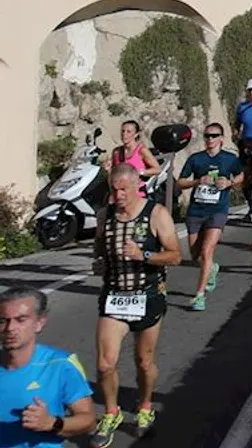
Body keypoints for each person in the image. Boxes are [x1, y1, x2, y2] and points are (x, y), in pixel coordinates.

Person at [92, 163, 181, 442]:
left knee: (143, 362)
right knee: (106, 364)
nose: (118, 195)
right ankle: (111, 412)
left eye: (123, 190)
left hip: (147, 295)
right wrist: (98, 263)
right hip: (114, 295)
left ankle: (144, 406)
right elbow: (98, 248)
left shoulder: (156, 213)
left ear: (135, 186)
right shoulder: (105, 215)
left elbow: (175, 256)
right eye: (114, 190)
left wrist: (143, 255)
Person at [0, 286, 96, 447]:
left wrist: (51, 423)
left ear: (39, 323)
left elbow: (88, 420)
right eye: (3, 321)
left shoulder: (61, 364)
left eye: (21, 320)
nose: (10, 328)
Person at [175, 124, 241, 312]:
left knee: (206, 251)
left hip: (217, 211)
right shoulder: (196, 159)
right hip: (196, 211)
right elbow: (181, 181)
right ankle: (212, 268)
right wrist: (197, 181)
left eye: (214, 136)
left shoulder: (230, 159)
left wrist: (229, 182)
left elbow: (241, 175)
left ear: (222, 138)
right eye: (207, 136)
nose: (210, 139)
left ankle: (199, 296)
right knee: (196, 256)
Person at [107, 123, 161, 197]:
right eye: (123, 131)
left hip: (137, 193)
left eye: (128, 131)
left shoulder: (141, 150)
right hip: (120, 194)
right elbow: (113, 173)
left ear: (136, 134)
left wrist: (140, 172)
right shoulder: (116, 152)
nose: (124, 134)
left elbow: (157, 169)